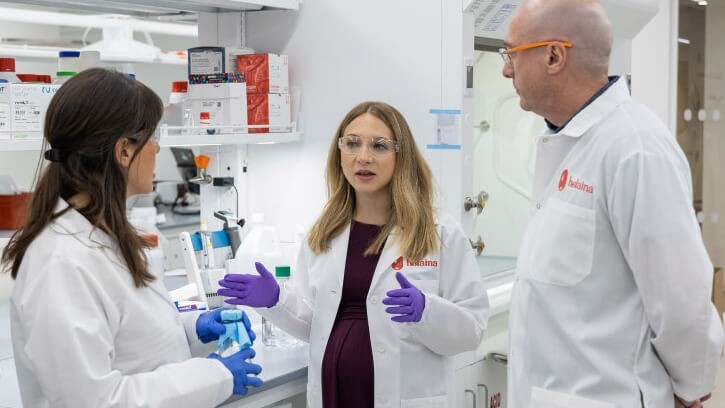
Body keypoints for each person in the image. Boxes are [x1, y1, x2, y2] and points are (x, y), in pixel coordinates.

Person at [501, 1, 725, 407]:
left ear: (554, 55)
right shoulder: (569, 144)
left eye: (512, 54)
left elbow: (682, 295)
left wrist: (689, 389)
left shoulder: (635, 148)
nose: (505, 69)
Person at [1, 68, 263, 407]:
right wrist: (215, 375)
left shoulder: (102, 234)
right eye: (152, 137)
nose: (157, 149)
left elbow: (130, 344)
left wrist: (192, 329)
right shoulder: (61, 261)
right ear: (124, 150)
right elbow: (92, 401)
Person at [217, 101, 490, 407]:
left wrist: (427, 311)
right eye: (352, 143)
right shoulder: (323, 232)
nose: (363, 157)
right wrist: (276, 301)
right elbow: (318, 327)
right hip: (334, 396)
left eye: (379, 146)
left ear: (402, 156)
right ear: (339, 152)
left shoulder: (438, 232)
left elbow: (473, 330)